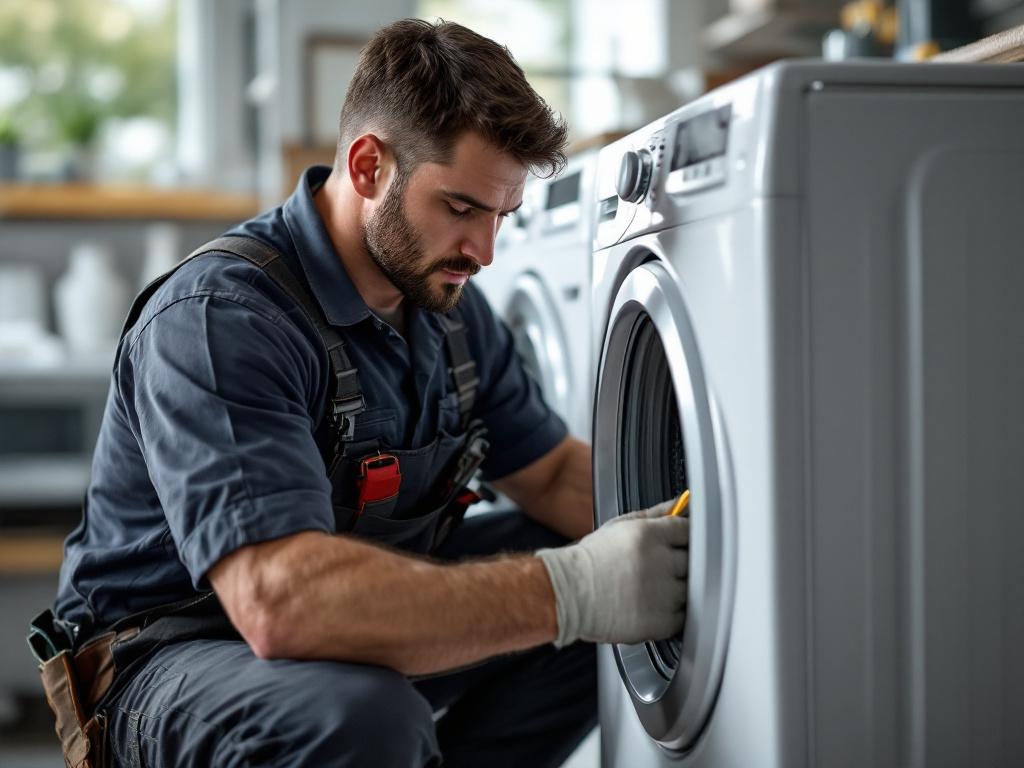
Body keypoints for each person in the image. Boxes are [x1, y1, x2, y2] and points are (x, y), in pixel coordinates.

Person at [41, 18, 688, 768]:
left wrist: (705, 542)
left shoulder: (447, 309)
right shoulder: (223, 319)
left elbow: (548, 475)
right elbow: (280, 602)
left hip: (329, 616)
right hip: (172, 661)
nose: (484, 252)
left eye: (501, 216)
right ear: (369, 165)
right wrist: (573, 591)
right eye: (460, 208)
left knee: (626, 582)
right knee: (362, 719)